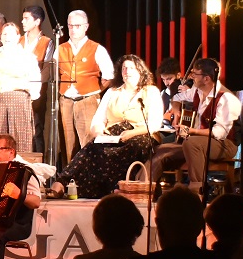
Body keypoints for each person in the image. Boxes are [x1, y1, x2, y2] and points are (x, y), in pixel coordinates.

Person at [49, 55, 164, 199]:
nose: (127, 71)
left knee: (131, 148)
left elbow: (155, 124)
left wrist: (131, 133)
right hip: (114, 135)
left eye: (131, 68)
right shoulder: (112, 92)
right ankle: (62, 182)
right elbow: (98, 120)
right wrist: (99, 133)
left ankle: (119, 189)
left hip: (142, 134)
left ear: (140, 71)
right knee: (91, 148)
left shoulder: (151, 91)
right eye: (124, 68)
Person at [149, 58, 241, 193]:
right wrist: (176, 112)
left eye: (195, 74)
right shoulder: (197, 91)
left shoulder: (226, 98)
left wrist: (191, 131)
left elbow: (219, 133)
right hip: (198, 141)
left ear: (206, 79)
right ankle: (144, 187)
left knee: (191, 143)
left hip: (224, 144)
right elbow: (177, 98)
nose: (191, 77)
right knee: (160, 149)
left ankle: (197, 189)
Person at [55, 9, 115, 165]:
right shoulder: (60, 49)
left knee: (88, 141)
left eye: (78, 26)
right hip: (66, 101)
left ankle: (89, 175)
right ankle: (69, 175)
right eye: (71, 26)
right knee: (67, 143)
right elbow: (54, 74)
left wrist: (94, 91)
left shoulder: (96, 48)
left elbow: (108, 76)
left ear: (86, 27)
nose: (74, 30)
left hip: (87, 100)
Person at [0, 22, 41, 153]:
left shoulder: (26, 56)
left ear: (18, 37)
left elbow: (35, 78)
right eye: (5, 34)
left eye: (11, 34)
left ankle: (19, 166)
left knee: (19, 141)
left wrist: (29, 98)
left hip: (17, 100)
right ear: (1, 37)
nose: (7, 37)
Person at [21, 5, 54, 156]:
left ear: (37, 21)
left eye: (26, 18)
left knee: (36, 128)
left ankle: (38, 162)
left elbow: (46, 69)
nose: (23, 21)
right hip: (19, 91)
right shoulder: (19, 40)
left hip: (37, 92)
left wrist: (35, 90)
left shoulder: (47, 42)